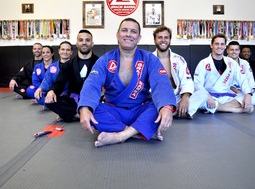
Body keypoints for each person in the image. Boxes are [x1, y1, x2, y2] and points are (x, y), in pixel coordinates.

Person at [78, 18, 176, 148]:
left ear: (139, 37)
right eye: (124, 30)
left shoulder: (149, 59)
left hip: (140, 109)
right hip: (113, 110)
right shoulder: (105, 60)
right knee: (89, 108)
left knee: (157, 108)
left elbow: (161, 83)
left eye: (133, 31)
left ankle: (120, 135)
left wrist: (166, 107)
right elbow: (92, 83)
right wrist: (85, 107)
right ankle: (136, 132)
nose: (128, 34)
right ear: (118, 35)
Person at [152, 26, 207, 119]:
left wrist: (185, 97)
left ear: (170, 40)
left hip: (177, 97)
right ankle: (180, 112)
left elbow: (187, 80)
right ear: (154, 40)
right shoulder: (149, 59)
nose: (163, 40)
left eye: (166, 37)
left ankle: (174, 110)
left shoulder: (178, 59)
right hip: (158, 98)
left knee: (203, 93)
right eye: (160, 37)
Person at [45, 29, 99, 122]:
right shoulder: (68, 65)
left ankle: (74, 114)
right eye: (81, 40)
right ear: (77, 44)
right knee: (50, 100)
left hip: (93, 99)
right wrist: (52, 91)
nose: (84, 43)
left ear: (92, 43)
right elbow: (59, 83)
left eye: (87, 40)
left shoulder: (99, 62)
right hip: (74, 100)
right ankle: (80, 114)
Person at [194, 33, 254, 114]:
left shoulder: (231, 63)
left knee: (250, 97)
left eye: (222, 44)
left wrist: (248, 95)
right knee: (195, 99)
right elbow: (197, 84)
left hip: (226, 96)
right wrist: (208, 97)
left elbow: (243, 79)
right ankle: (232, 109)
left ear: (225, 46)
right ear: (211, 45)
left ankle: (217, 108)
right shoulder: (203, 63)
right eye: (217, 44)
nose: (219, 46)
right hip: (209, 96)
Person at [34, 41, 73, 105]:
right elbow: (47, 80)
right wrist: (40, 88)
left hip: (70, 94)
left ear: (71, 52)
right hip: (56, 92)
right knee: (40, 98)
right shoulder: (52, 66)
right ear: (59, 51)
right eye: (63, 49)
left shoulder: (75, 65)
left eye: (68, 50)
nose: (65, 52)